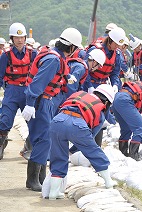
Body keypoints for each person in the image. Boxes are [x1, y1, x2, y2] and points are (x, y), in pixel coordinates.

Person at [21, 27, 83, 191]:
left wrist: (67, 76)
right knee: (44, 139)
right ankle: (32, 179)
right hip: (42, 102)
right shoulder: (53, 60)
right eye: (75, 49)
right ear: (70, 47)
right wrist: (30, 102)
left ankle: (39, 177)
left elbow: (57, 73)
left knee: (43, 139)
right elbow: (38, 83)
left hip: (45, 101)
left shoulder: (55, 56)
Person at [48, 84, 117, 200]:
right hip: (77, 125)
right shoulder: (100, 108)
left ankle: (53, 193)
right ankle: (108, 181)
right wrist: (73, 150)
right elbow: (91, 136)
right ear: (107, 103)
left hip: (57, 121)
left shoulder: (79, 94)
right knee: (94, 152)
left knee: (58, 157)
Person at [84, 27, 127, 147]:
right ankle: (83, 143)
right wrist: (89, 86)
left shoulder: (117, 54)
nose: (117, 47)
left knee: (100, 115)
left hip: (102, 87)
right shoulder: (95, 49)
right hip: (88, 84)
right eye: (116, 44)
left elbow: (115, 73)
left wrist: (114, 85)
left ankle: (95, 145)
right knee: (87, 115)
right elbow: (85, 68)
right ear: (110, 40)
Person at [0, 23, 37, 160]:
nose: (20, 40)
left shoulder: (33, 54)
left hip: (28, 91)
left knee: (34, 122)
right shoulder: (6, 56)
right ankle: (1, 145)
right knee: (5, 120)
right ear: (12, 38)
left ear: (25, 37)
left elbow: (39, 73)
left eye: (22, 37)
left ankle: (29, 147)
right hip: (12, 90)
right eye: (16, 37)